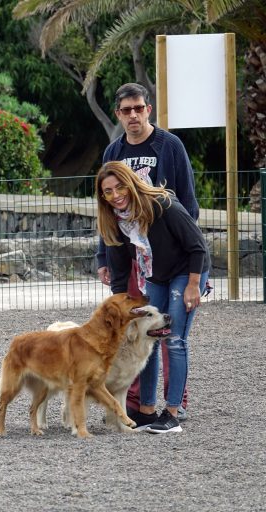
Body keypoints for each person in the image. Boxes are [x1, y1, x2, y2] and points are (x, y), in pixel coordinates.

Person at [97, 82, 199, 420]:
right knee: (139, 328)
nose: (133, 115)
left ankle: (176, 402)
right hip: (132, 254)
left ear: (148, 110)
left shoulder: (169, 146)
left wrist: (180, 250)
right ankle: (139, 403)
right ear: (119, 115)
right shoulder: (113, 152)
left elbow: (188, 203)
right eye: (126, 111)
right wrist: (105, 258)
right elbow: (107, 211)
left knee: (169, 328)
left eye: (139, 108)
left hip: (169, 253)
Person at [96, 161, 210, 433]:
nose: (115, 195)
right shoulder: (115, 220)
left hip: (187, 272)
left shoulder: (162, 204)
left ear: (130, 183)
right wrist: (123, 312)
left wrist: (194, 285)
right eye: (108, 191)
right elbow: (121, 274)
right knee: (148, 336)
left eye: (119, 186)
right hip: (157, 276)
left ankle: (172, 414)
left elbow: (198, 247)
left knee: (174, 338)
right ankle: (146, 409)